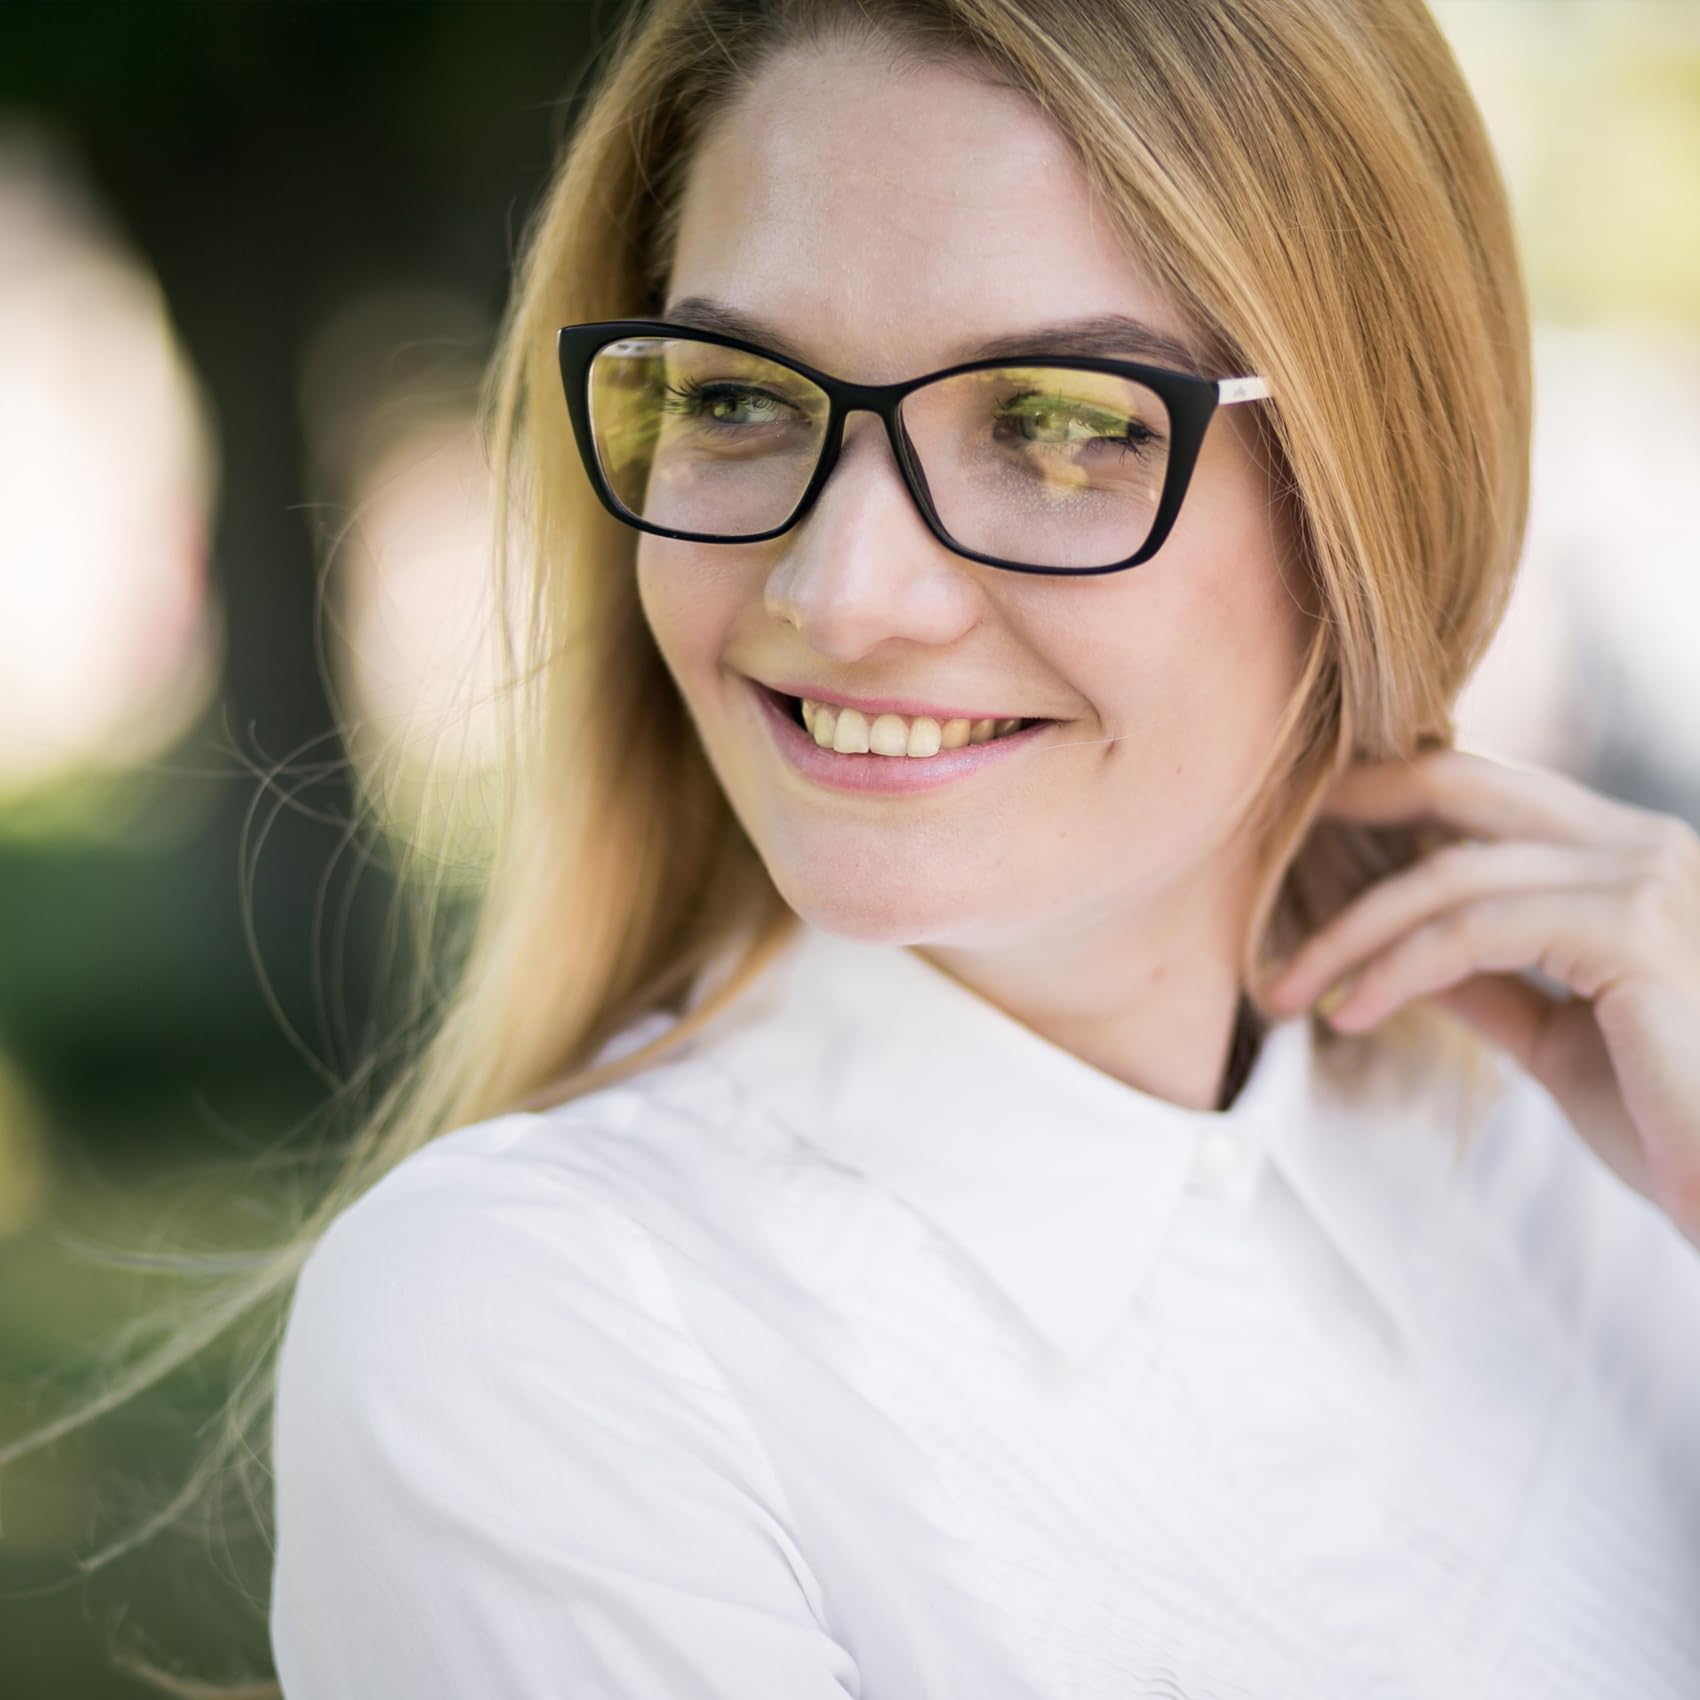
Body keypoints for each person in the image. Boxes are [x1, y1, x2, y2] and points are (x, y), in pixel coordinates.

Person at [266, 1, 1700, 1695]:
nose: (842, 596)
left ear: (1369, 486)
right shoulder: (538, 1332)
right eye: (737, 396)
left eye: (1060, 423)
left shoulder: (1594, 1135)